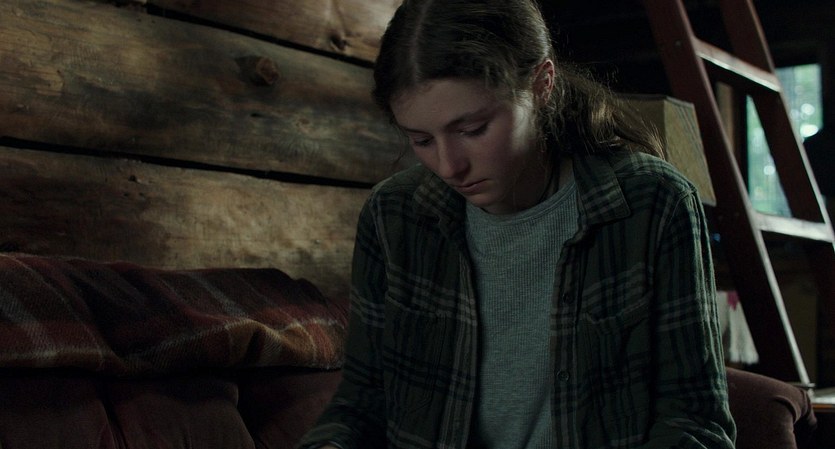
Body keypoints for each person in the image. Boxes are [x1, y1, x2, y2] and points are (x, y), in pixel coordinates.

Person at [299, 0, 736, 447]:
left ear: (542, 84)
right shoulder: (392, 214)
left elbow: (694, 421)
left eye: (473, 129)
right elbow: (361, 402)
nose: (449, 167)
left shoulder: (653, 203)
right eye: (421, 140)